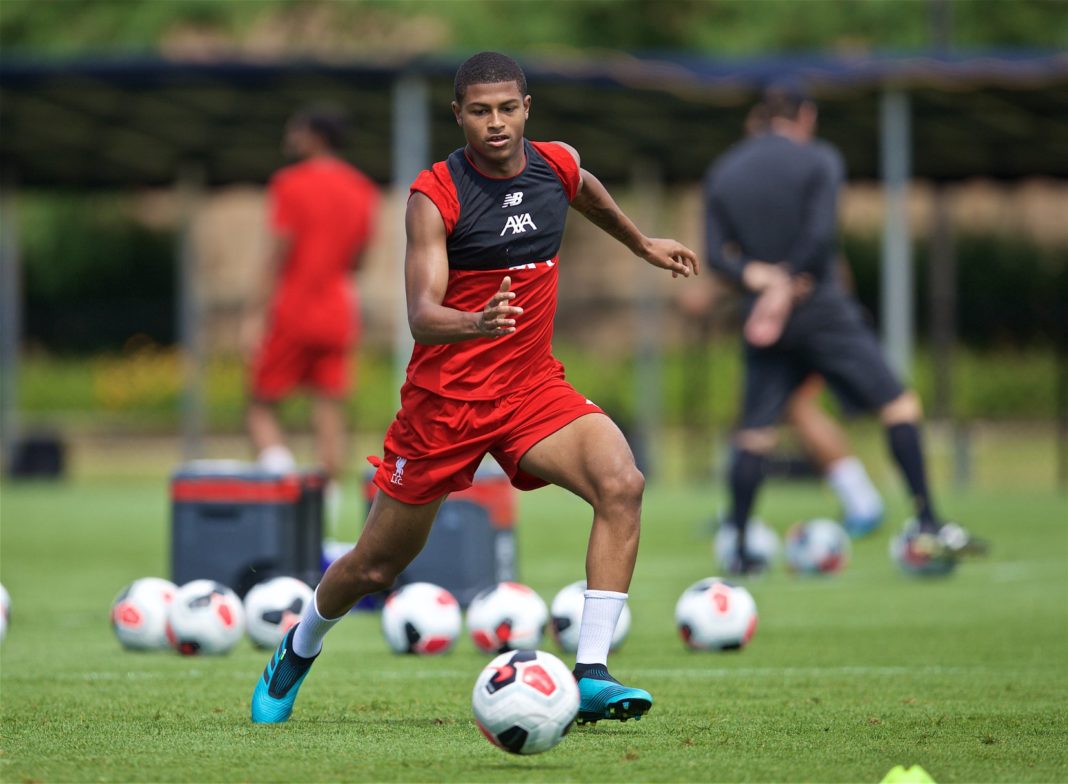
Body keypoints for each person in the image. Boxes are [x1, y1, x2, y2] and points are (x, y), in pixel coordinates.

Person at [251, 51, 699, 725]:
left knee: (622, 482)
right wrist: (475, 321)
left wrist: (640, 244)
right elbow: (421, 316)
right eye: (481, 111)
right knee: (375, 567)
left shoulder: (556, 164)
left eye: (508, 109)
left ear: (527, 109)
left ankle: (592, 673)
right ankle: (298, 646)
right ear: (458, 114)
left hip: (531, 391)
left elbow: (586, 190)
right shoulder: (435, 196)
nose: (497, 123)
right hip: (445, 407)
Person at [703, 86, 983, 574]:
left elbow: (715, 254)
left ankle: (741, 545)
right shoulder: (819, 159)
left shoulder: (724, 170)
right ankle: (927, 521)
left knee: (755, 433)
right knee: (898, 406)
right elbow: (819, 238)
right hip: (820, 309)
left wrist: (760, 280)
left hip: (763, 318)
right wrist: (789, 284)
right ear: (806, 115)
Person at [243, 106, 380, 504]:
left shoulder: (289, 183)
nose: (290, 137)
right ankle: (328, 497)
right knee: (330, 408)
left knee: (260, 405)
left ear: (316, 136)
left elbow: (278, 253)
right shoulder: (362, 189)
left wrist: (253, 314)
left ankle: (282, 479)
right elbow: (359, 261)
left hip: (293, 308)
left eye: (296, 130)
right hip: (338, 311)